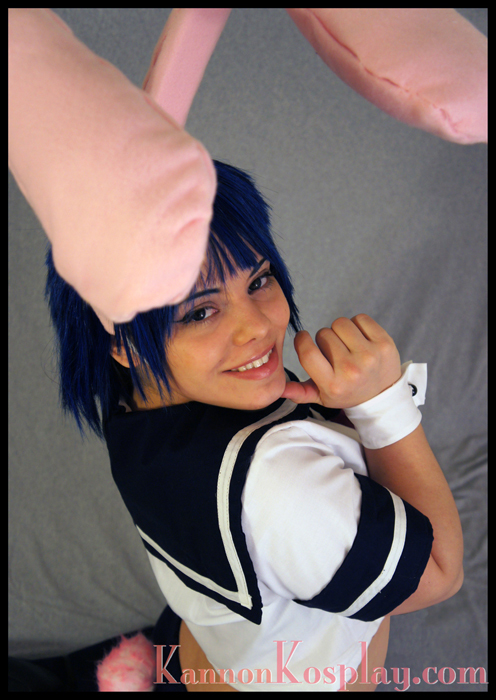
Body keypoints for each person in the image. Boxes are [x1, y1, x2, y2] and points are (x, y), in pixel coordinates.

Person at [45, 161, 463, 692]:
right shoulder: (283, 487)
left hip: (212, 651)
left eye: (259, 280)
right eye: (200, 313)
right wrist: (383, 407)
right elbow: (440, 572)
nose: (258, 327)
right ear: (122, 342)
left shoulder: (139, 398)